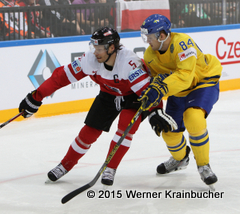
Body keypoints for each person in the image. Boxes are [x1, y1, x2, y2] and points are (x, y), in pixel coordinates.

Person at [18, 27, 177, 186]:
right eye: (94, 47)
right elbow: (60, 77)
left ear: (112, 48)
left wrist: (155, 111)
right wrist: (36, 96)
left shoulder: (130, 63)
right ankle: (65, 165)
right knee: (88, 133)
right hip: (108, 95)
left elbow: (148, 92)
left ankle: (111, 167)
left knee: (125, 130)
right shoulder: (89, 60)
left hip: (134, 97)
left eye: (99, 48)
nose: (95, 52)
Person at [139, 14, 222, 188]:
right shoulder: (149, 54)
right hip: (177, 90)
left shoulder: (183, 43)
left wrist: (161, 89)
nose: (147, 41)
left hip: (202, 82)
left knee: (194, 118)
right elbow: (155, 81)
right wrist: (153, 107)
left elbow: (185, 77)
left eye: (150, 37)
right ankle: (180, 159)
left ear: (162, 35)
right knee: (168, 131)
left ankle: (203, 165)